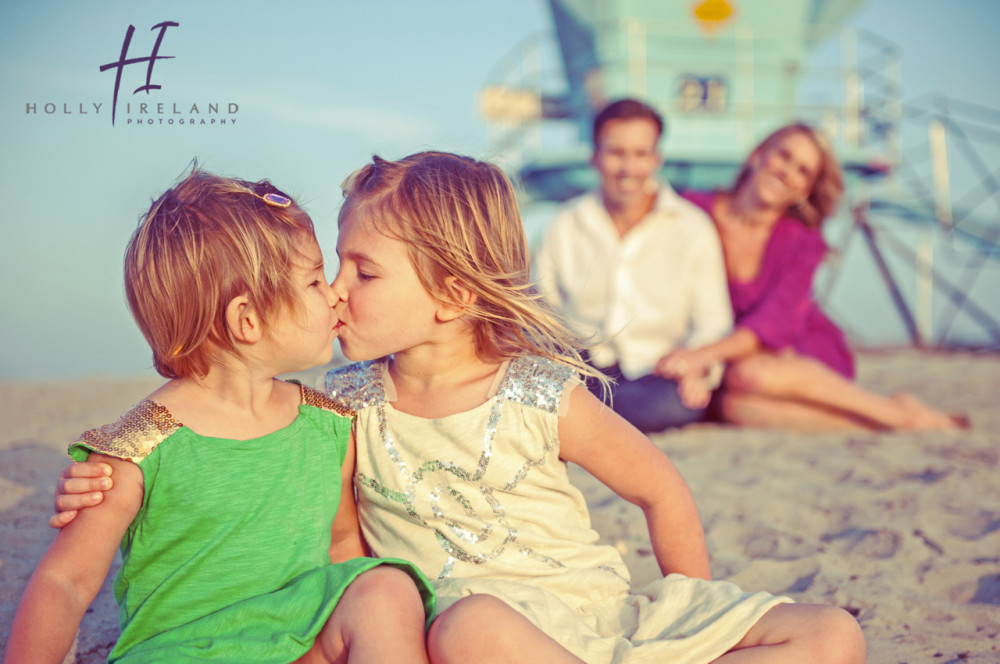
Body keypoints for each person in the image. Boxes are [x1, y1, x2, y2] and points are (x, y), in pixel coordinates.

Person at [53, 152, 867, 663]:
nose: (336, 290)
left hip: (601, 617)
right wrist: (117, 472)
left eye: (362, 272)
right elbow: (236, 427)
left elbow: (660, 488)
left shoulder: (540, 392)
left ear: (449, 293)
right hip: (486, 639)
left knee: (835, 635)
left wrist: (691, 600)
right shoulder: (344, 408)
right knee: (471, 629)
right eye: (335, 268)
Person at [4, 168, 436, 664]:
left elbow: (341, 545)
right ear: (247, 319)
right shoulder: (139, 447)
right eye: (315, 279)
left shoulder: (327, 425)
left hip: (297, 643)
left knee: (383, 587)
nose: (336, 292)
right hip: (182, 653)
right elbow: (66, 582)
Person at [669, 122, 966, 431]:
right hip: (721, 357)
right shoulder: (691, 210)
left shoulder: (803, 241)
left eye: (803, 171)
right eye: (784, 156)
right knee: (733, 408)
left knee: (749, 374)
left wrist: (701, 356)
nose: (788, 172)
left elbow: (773, 325)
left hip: (795, 348)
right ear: (758, 154)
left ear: (805, 191)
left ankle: (895, 416)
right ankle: (888, 418)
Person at [535, 98, 733, 433]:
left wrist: (696, 366)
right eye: (616, 153)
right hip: (583, 368)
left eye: (641, 154)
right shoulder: (564, 225)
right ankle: (588, 415)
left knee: (674, 404)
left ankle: (584, 418)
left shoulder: (693, 227)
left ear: (657, 159)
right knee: (549, 386)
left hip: (658, 374)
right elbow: (542, 311)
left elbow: (713, 321)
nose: (629, 167)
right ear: (594, 157)